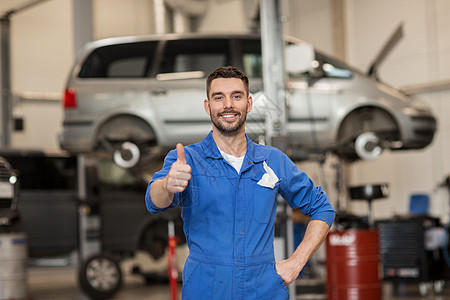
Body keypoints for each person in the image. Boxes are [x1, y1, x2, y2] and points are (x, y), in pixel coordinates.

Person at [145, 66, 335, 299]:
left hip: (263, 289)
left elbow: (322, 208)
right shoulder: (187, 159)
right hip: (206, 288)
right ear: (208, 106)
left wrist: (296, 262)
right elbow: (154, 200)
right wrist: (167, 185)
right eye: (219, 97)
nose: (228, 105)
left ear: (249, 103)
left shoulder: (272, 160)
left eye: (236, 96)